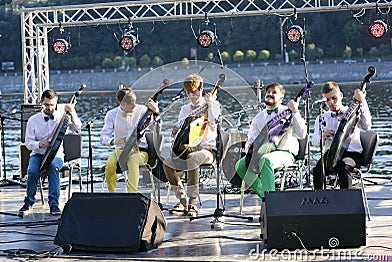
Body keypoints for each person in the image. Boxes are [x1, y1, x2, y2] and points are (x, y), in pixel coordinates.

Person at [235, 83, 307, 198]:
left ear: (281, 97)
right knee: (240, 165)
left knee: (265, 160)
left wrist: (295, 112)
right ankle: (265, 195)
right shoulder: (258, 118)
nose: (270, 94)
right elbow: (251, 140)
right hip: (261, 153)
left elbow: (302, 134)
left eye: (274, 92)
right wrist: (250, 149)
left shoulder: (288, 112)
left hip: (285, 153)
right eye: (268, 92)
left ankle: (270, 200)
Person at [163, 74, 221, 217]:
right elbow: (180, 129)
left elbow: (214, 127)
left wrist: (211, 107)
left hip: (207, 150)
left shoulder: (212, 104)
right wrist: (176, 130)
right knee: (167, 163)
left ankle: (193, 201)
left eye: (194, 92)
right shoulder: (184, 109)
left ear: (201, 88)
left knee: (193, 158)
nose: (191, 95)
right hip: (187, 148)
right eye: (188, 93)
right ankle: (182, 200)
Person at [19, 89, 82, 215]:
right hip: (38, 153)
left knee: (53, 167)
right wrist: (39, 144)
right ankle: (28, 202)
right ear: (41, 102)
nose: (50, 108)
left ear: (56, 104)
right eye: (47, 105)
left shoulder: (62, 117)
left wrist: (72, 111)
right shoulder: (33, 120)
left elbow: (78, 128)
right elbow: (28, 143)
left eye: (52, 105)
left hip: (56, 154)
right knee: (32, 171)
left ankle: (54, 204)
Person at [311, 81, 372, 189]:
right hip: (332, 153)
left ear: (341, 96)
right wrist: (323, 137)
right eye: (327, 100)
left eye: (334, 98)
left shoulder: (352, 113)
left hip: (352, 153)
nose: (331, 103)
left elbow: (366, 126)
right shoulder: (321, 118)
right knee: (318, 169)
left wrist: (362, 102)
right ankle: (319, 199)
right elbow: (314, 141)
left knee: (344, 166)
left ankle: (345, 201)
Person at [100, 88, 159, 193]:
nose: (134, 106)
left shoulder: (142, 110)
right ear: (121, 103)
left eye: (134, 102)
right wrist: (113, 141)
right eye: (130, 104)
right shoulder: (111, 114)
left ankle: (132, 194)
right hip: (121, 150)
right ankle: (111, 195)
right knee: (110, 165)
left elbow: (156, 128)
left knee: (133, 160)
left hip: (140, 151)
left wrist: (156, 112)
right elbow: (103, 137)